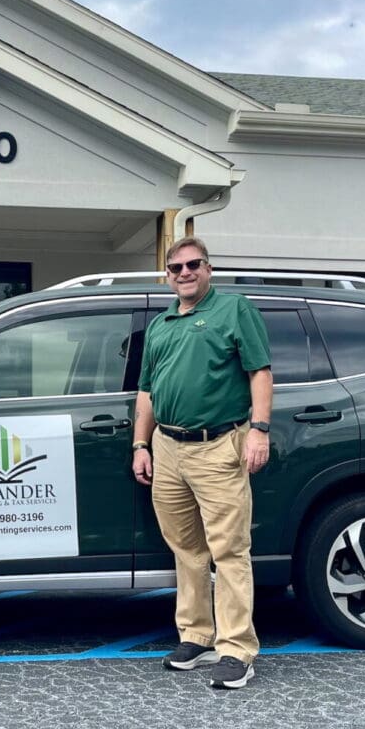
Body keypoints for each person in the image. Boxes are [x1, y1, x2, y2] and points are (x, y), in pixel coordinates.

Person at [132, 236, 272, 689]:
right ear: (168, 275)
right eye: (176, 268)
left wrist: (259, 429)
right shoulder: (162, 324)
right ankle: (196, 635)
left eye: (193, 265)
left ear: (208, 268)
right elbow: (147, 391)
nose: (185, 273)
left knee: (229, 550)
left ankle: (236, 650)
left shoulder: (234, 309)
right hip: (167, 447)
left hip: (218, 445)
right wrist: (140, 444)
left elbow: (260, 371)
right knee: (186, 549)